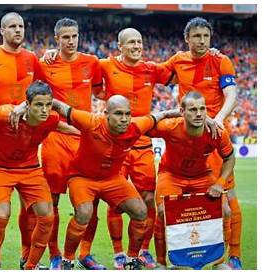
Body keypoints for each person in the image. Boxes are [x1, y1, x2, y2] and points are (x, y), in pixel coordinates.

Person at [49, 95, 179, 270]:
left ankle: (132, 258)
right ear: (106, 114)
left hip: (112, 178)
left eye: (127, 114)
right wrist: (22, 107)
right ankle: (68, 259)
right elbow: (58, 105)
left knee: (140, 212)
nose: (124, 119)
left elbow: (160, 115)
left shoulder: (135, 126)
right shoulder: (90, 122)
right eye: (118, 114)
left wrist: (181, 112)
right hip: (82, 177)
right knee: (84, 212)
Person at [162, 17, 241, 269]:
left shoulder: (221, 60)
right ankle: (181, 256)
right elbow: (150, 72)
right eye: (196, 36)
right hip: (187, 135)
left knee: (228, 198)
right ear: (187, 38)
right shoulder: (177, 60)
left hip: (215, 137)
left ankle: (233, 257)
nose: (202, 41)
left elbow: (232, 94)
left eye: (206, 36)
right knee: (183, 205)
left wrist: (217, 120)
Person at [0, 12, 47, 269]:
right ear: (2, 30)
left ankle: (27, 254)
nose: (18, 30)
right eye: (12, 26)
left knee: (30, 208)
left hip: (26, 143)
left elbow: (42, 90)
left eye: (21, 26)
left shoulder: (32, 59)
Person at [0, 81, 79, 270]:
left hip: (30, 169)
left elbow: (64, 128)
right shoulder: (5, 113)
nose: (44, 110)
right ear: (27, 104)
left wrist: (89, 133)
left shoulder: (50, 119)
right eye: (39, 105)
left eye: (48, 105)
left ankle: (30, 266)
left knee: (47, 216)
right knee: (0, 215)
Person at [99, 28, 173, 269]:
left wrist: (210, 51)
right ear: (120, 46)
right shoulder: (105, 65)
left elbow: (180, 70)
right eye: (131, 42)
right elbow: (78, 68)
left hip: (142, 142)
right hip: (115, 144)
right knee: (115, 200)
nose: (136, 46)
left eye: (139, 41)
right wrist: (51, 52)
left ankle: (141, 250)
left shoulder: (151, 69)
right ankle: (118, 252)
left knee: (149, 198)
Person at [36, 17, 104, 270]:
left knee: (91, 201)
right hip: (56, 139)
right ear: (57, 39)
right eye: (65, 36)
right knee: (51, 201)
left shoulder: (92, 62)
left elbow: (101, 90)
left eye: (74, 35)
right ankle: (54, 255)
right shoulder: (45, 65)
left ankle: (84, 253)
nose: (71, 40)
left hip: (85, 140)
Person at [148, 91, 235, 270]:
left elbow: (230, 158)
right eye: (193, 109)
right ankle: (161, 263)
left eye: (202, 109)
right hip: (171, 174)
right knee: (164, 212)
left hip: (202, 175)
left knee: (225, 210)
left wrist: (219, 183)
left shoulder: (217, 132)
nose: (198, 113)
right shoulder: (170, 126)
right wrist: (167, 113)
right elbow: (144, 124)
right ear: (182, 111)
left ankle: (219, 262)